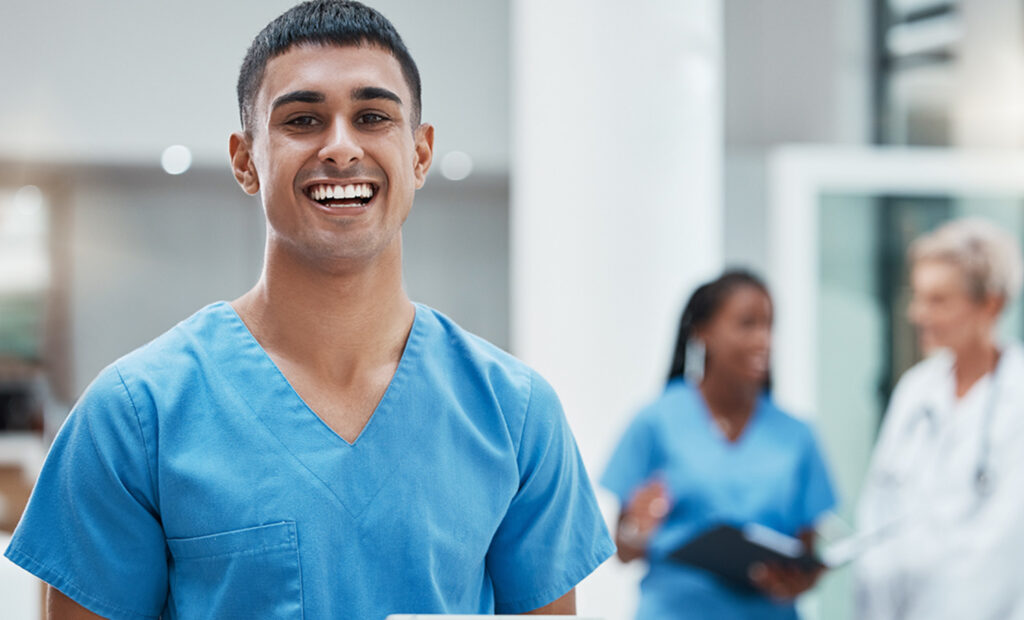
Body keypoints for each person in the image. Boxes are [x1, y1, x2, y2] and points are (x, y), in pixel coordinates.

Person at [3, 2, 614, 617]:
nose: (342, 148)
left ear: (421, 154)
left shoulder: (514, 414)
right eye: (303, 119)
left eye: (373, 116)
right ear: (246, 160)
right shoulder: (136, 416)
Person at [601, 270, 837, 619]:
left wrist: (799, 579)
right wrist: (637, 529)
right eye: (747, 324)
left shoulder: (796, 435)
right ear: (702, 333)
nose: (764, 340)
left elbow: (806, 549)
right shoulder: (657, 421)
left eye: (769, 325)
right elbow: (624, 550)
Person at [855, 217, 1024, 620]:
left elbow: (1003, 545)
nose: (917, 313)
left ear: (991, 304)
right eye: (918, 296)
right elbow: (877, 508)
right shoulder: (916, 390)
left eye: (938, 300)